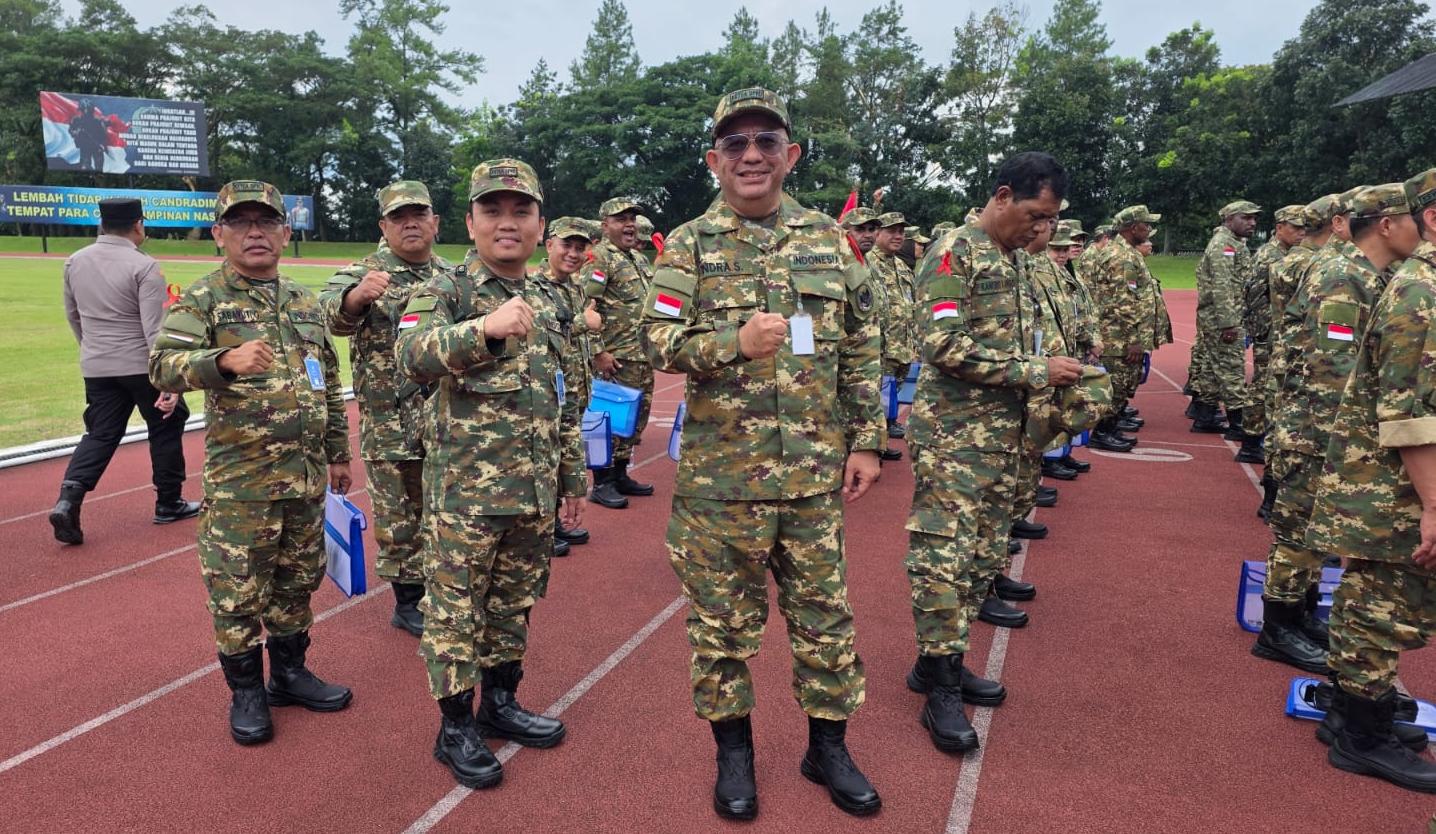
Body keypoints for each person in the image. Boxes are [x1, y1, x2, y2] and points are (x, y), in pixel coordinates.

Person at [642, 87, 885, 819]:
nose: (752, 155)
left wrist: (867, 439)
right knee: (720, 630)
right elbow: (655, 343)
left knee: (825, 620)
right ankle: (735, 755)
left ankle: (827, 747)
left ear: (791, 154)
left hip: (812, 480)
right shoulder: (687, 245)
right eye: (736, 144)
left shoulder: (829, 241)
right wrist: (732, 345)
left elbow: (865, 344)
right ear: (715, 159)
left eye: (766, 141)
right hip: (721, 486)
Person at [395, 159, 585, 790]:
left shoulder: (552, 297)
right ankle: (454, 729)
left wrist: (572, 480)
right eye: (493, 211)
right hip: (464, 499)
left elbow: (561, 396)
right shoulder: (445, 290)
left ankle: (499, 704)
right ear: (472, 222)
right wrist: (484, 330)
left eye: (521, 211)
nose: (508, 223)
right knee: (455, 614)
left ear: (538, 223)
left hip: (532, 494)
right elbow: (412, 354)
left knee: (512, 607)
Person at [150, 180, 354, 745]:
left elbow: (329, 385)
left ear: (287, 233)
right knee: (238, 587)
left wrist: (338, 453)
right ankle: (246, 690)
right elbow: (162, 365)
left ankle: (289, 674)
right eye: (241, 223)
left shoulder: (305, 302)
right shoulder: (204, 299)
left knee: (296, 582)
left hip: (306, 478)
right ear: (219, 235)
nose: (255, 232)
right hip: (243, 484)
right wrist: (223, 360)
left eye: (266, 222)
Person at [903, 151, 1080, 755]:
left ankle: (937, 665)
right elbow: (940, 342)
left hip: (1004, 436)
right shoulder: (954, 251)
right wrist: (1035, 369)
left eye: (1049, 219)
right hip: (956, 438)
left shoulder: (1015, 259)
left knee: (983, 557)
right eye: (1034, 214)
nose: (1039, 228)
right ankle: (941, 684)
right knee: (945, 561)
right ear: (1002, 195)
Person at [1305, 171, 1436, 792]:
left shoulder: (1410, 282)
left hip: (1382, 477)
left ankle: (1354, 711)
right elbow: (1406, 408)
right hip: (1387, 482)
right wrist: (1433, 503)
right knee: (1384, 606)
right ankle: (1361, 732)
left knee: (1371, 599)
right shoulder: (1420, 290)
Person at [1257, 183, 1419, 676]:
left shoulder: (1365, 273)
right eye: (1413, 219)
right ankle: (1277, 628)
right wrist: (1346, 450)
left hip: (1322, 433)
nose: (1422, 229)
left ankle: (1300, 615)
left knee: (1311, 535)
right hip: (1315, 434)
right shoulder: (1343, 276)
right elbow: (1334, 369)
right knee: (1298, 535)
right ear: (1386, 225)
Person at [319, 181, 450, 637]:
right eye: (398, 217)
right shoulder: (365, 271)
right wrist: (357, 297)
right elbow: (326, 316)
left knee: (444, 508)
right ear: (383, 226)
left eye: (418, 214)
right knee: (399, 516)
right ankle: (408, 601)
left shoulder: (452, 274)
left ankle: (443, 587)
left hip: (446, 420)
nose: (409, 223)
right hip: (389, 422)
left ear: (435, 222)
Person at [50, 199, 200, 545]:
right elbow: (154, 330)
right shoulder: (144, 266)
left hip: (97, 364)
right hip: (140, 365)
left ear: (103, 225)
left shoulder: (74, 261)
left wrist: (92, 351)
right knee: (167, 422)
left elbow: (73, 315)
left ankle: (68, 499)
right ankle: (169, 502)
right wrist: (169, 380)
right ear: (138, 225)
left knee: (100, 434)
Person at [583, 197, 657, 508]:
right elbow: (584, 307)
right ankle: (602, 482)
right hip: (614, 358)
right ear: (605, 225)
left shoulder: (638, 259)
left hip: (641, 356)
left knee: (634, 419)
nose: (629, 224)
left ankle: (622, 473)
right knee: (609, 421)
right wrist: (598, 352)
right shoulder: (600, 258)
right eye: (620, 219)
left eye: (632, 218)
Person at [538, 216, 603, 552]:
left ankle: (558, 522)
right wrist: (583, 322)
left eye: (580, 248)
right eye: (567, 245)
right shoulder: (536, 286)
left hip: (574, 389)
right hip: (548, 392)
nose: (574, 253)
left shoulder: (575, 286)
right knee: (547, 459)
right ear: (549, 245)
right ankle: (544, 529)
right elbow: (540, 332)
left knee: (567, 455)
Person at [1092, 205, 1163, 452]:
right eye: (1147, 224)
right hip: (1118, 336)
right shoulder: (1122, 257)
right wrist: (1133, 339)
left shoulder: (1127, 253)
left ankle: (1110, 428)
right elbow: (1123, 300)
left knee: (1124, 385)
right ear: (1134, 228)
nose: (1150, 229)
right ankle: (1102, 431)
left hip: (1121, 334)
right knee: (1117, 386)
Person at [1242, 205, 1307, 465]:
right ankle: (1251, 440)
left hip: (1277, 330)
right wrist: (1262, 332)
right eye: (1295, 227)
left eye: (1304, 227)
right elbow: (1255, 297)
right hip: (1270, 330)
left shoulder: (1287, 253)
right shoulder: (1271, 255)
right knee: (1263, 386)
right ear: (1280, 227)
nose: (1301, 232)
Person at [1192, 201, 1261, 442]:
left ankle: (1206, 416)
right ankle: (1238, 424)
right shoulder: (1224, 245)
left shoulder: (1230, 243)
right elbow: (1222, 287)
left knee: (1212, 369)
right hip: (1223, 319)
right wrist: (1229, 324)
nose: (1252, 222)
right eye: (1246, 218)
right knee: (1232, 369)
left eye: (1254, 218)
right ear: (1229, 219)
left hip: (1219, 318)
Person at [870, 211, 918, 452]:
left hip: (902, 346)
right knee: (876, 398)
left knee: (890, 398)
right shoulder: (867, 262)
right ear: (878, 232)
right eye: (892, 231)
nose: (898, 236)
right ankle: (874, 446)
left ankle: (883, 440)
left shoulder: (901, 266)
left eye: (901, 232)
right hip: (881, 346)